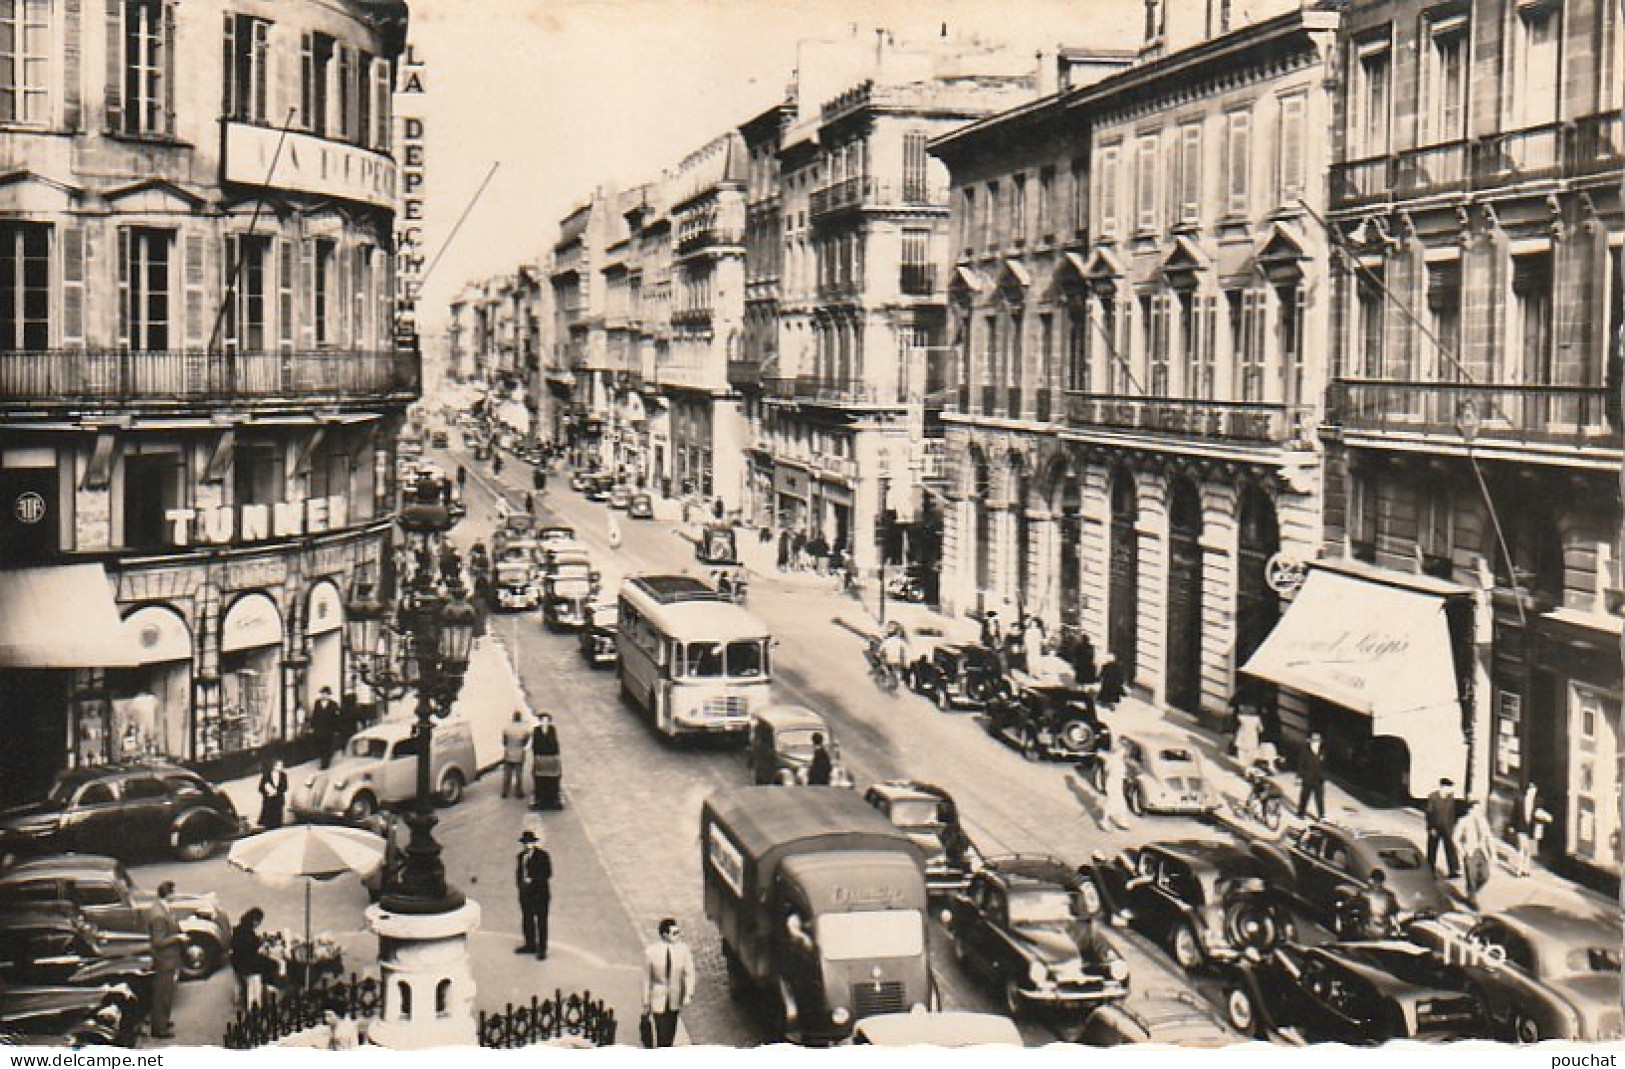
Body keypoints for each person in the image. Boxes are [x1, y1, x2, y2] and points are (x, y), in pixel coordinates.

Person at [640, 918, 696, 1048]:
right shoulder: (651, 952)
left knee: (670, 1032)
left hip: (675, 999)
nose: (677, 935)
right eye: (674, 933)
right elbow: (646, 978)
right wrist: (645, 1001)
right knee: (661, 1032)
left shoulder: (683, 950)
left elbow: (689, 973)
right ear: (665, 934)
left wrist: (688, 993)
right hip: (658, 998)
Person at [146, 881, 187, 1039]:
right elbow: (158, 941)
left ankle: (163, 1020)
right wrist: (177, 937)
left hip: (168, 959)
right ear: (168, 894)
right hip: (165, 960)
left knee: (166, 992)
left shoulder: (162, 908)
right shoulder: (158, 915)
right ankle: (159, 1028)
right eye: (173, 892)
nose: (175, 895)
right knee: (163, 993)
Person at [229, 908, 279, 1007]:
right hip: (245, 964)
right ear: (254, 920)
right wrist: (262, 943)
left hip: (238, 962)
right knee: (273, 964)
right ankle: (268, 988)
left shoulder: (240, 929)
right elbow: (251, 946)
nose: (258, 924)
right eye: (258, 921)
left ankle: (266, 987)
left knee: (267, 962)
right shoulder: (246, 932)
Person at [515, 830, 552, 959]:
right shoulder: (520, 856)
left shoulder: (542, 856)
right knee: (527, 919)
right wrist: (520, 886)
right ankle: (530, 945)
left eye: (529, 842)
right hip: (526, 894)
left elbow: (547, 873)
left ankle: (542, 949)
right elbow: (519, 872)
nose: (527, 845)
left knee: (541, 921)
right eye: (525, 843)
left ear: (534, 843)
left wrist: (533, 879)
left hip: (540, 894)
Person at [1455, 799, 1495, 907]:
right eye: (1476, 809)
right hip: (1470, 852)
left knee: (1485, 876)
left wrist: (1493, 853)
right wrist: (1462, 851)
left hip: (1482, 852)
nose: (1479, 811)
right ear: (1470, 810)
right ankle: (1472, 899)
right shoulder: (1463, 821)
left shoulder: (1483, 821)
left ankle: (1471, 893)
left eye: (1479, 809)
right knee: (1471, 876)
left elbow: (1489, 837)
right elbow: (1455, 838)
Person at [1425, 777, 1462, 879]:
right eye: (1449, 787)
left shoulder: (1451, 799)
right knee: (1432, 849)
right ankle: (1430, 871)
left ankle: (1453, 870)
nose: (1451, 790)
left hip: (1447, 828)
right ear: (1443, 787)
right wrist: (1431, 827)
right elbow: (1429, 813)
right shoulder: (1433, 797)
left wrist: (1453, 828)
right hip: (1435, 827)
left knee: (1450, 849)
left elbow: (1453, 814)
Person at [1511, 784, 1547, 878]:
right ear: (1528, 791)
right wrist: (1512, 825)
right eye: (1531, 790)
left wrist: (1542, 818)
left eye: (1534, 790)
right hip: (1521, 828)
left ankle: (1526, 870)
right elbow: (1514, 813)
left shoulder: (1538, 801)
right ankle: (1519, 869)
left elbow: (1541, 814)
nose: (1533, 792)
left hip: (1531, 829)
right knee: (1522, 849)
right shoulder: (1520, 800)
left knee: (1528, 851)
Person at [531, 713, 563, 809]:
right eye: (543, 720)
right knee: (539, 778)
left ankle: (552, 797)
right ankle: (541, 797)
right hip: (541, 757)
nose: (545, 722)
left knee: (553, 778)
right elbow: (535, 744)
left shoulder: (552, 730)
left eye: (547, 720)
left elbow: (555, 744)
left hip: (550, 757)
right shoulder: (536, 730)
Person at [1098, 739, 1131, 832]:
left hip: (1117, 783)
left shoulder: (1118, 760)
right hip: (1112, 783)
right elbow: (1109, 770)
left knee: (1120, 802)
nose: (1124, 752)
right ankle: (1104, 821)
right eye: (1123, 750)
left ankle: (1122, 821)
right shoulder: (1114, 760)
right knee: (1112, 802)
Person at [1297, 732, 1327, 820]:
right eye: (1314, 740)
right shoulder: (1305, 750)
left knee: (1319, 797)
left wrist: (1324, 776)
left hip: (1318, 778)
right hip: (1307, 777)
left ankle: (1321, 815)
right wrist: (1299, 777)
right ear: (1311, 741)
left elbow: (1325, 765)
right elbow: (1300, 764)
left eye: (1318, 740)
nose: (1316, 742)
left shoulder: (1322, 751)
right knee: (1305, 796)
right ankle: (1301, 813)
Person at [500, 710, 530, 800]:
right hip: (519, 753)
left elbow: (504, 742)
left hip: (509, 753)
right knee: (519, 774)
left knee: (507, 774)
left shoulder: (507, 728)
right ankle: (519, 792)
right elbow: (525, 741)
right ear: (520, 718)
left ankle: (505, 792)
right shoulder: (524, 729)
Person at [310, 686, 342, 770]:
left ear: (329, 695)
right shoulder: (317, 703)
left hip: (329, 729)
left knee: (327, 745)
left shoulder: (333, 704)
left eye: (326, 694)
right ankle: (322, 760)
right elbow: (314, 715)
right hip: (319, 728)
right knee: (320, 745)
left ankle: (325, 763)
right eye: (323, 694)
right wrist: (312, 726)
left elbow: (336, 718)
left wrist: (336, 729)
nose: (324, 695)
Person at [257, 757, 288, 829]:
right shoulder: (266, 776)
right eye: (280, 765)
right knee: (269, 819)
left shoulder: (283, 775)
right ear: (274, 766)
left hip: (278, 800)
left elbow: (285, 787)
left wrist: (277, 792)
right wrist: (267, 793)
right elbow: (260, 788)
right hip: (269, 801)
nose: (281, 767)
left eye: (282, 765)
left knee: (278, 818)